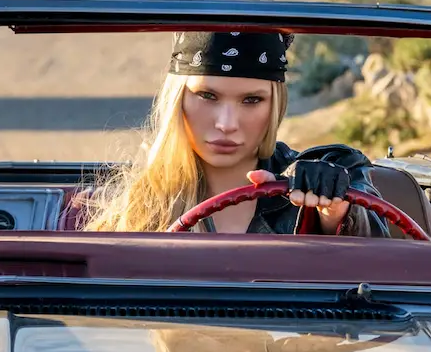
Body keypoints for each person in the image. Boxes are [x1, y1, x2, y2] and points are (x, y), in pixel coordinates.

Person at [85, 29, 397, 235]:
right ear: (177, 101)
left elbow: (381, 255)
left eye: (252, 100)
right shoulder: (142, 206)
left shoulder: (334, 168)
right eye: (208, 96)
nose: (227, 123)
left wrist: (334, 214)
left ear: (275, 106)